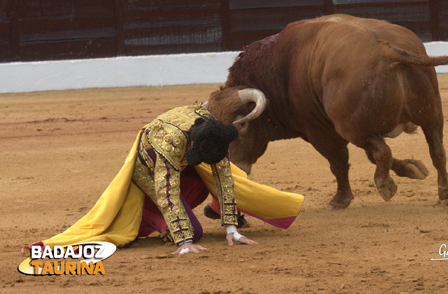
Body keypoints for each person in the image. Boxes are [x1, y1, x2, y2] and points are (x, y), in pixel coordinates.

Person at [26, 103, 304, 255]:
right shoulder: (170, 143)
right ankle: (150, 222)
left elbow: (224, 179)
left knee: (216, 178)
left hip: (184, 160)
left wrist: (231, 228)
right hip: (147, 166)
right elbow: (166, 190)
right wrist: (184, 242)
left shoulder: (213, 131)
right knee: (192, 232)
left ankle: (200, 221)